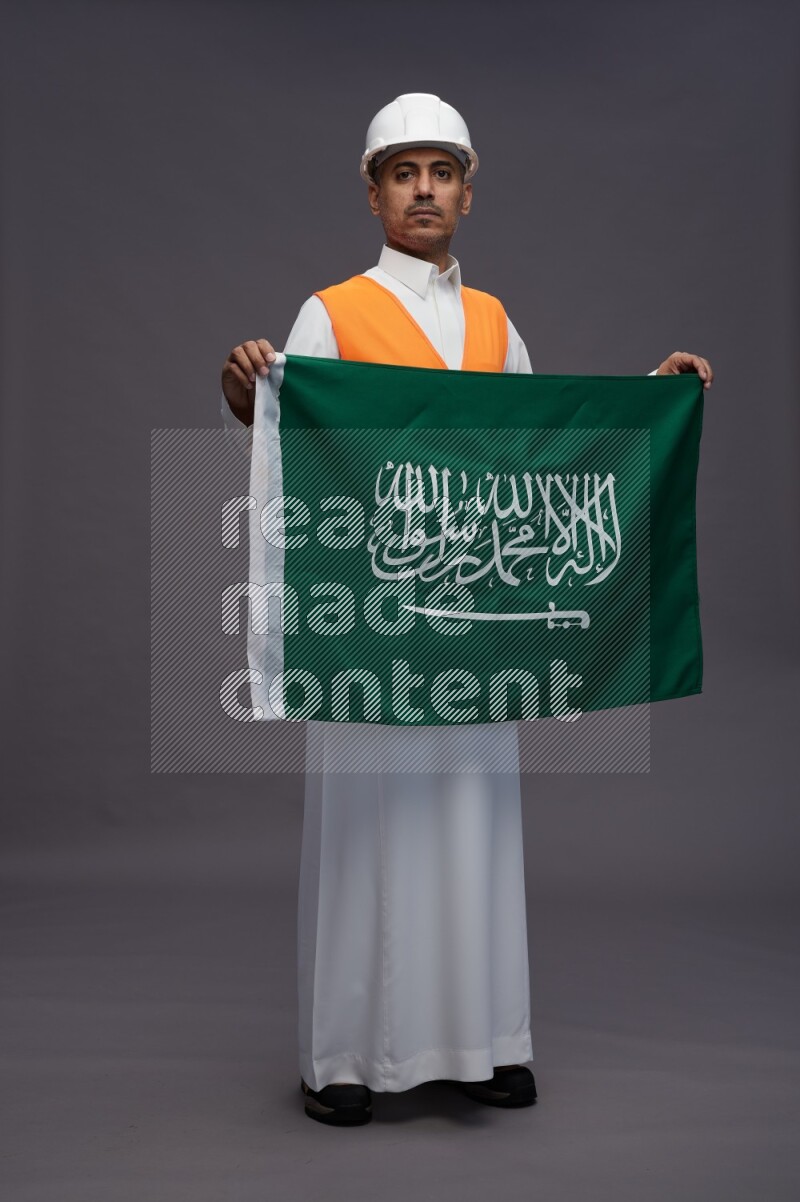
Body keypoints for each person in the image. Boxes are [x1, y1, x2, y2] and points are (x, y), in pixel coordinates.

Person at [221, 93, 714, 1127]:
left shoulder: (492, 321)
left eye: (440, 170)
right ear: (371, 191)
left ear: (467, 189)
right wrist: (251, 404)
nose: (423, 189)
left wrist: (647, 405)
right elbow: (298, 456)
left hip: (477, 624)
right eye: (402, 171)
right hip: (375, 617)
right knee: (368, 825)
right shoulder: (332, 310)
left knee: (473, 820)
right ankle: (345, 1054)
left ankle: (489, 1040)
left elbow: (538, 459)